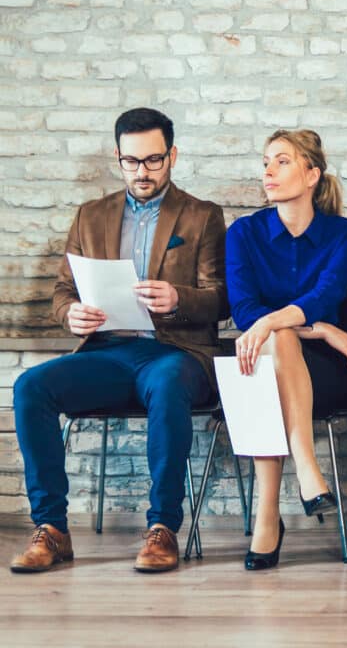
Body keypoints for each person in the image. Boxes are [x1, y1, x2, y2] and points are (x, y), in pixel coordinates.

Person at [10, 107, 227, 574]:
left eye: (153, 160)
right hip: (107, 351)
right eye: (132, 161)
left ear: (173, 155)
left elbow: (223, 300)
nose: (142, 172)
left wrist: (178, 298)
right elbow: (62, 292)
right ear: (118, 157)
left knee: (168, 384)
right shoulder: (91, 216)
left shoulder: (203, 216)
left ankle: (163, 527)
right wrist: (72, 314)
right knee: (31, 387)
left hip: (177, 353)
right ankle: (52, 529)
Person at [225, 129, 347, 570]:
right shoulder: (243, 234)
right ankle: (305, 466)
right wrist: (320, 328)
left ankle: (268, 516)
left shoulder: (344, 234)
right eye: (266, 161)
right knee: (277, 341)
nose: (268, 170)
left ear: (311, 175)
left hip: (326, 373)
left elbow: (325, 296)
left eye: (282, 161)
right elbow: (246, 311)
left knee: (277, 340)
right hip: (262, 358)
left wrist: (276, 322)